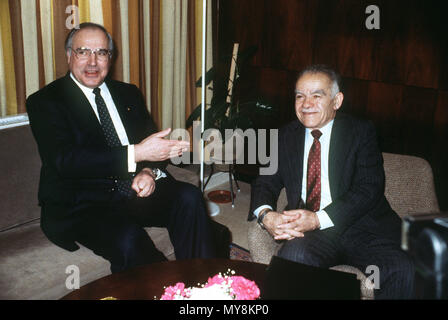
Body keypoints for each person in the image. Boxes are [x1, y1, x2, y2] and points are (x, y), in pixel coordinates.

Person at [26, 22, 217, 273]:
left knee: (188, 197)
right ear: (69, 55)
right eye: (83, 51)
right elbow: (65, 160)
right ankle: (170, 288)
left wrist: (148, 171)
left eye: (102, 53)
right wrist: (137, 154)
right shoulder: (45, 101)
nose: (93, 62)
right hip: (82, 204)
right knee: (128, 239)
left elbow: (153, 144)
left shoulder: (128, 93)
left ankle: (203, 282)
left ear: (110, 58)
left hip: (133, 189)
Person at [250, 64, 415, 299]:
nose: (306, 104)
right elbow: (264, 182)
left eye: (317, 96)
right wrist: (266, 215)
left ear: (337, 101)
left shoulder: (360, 132)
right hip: (312, 235)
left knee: (401, 269)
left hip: (362, 228)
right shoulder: (284, 136)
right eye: (300, 96)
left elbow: (369, 188)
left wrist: (318, 219)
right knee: (292, 261)